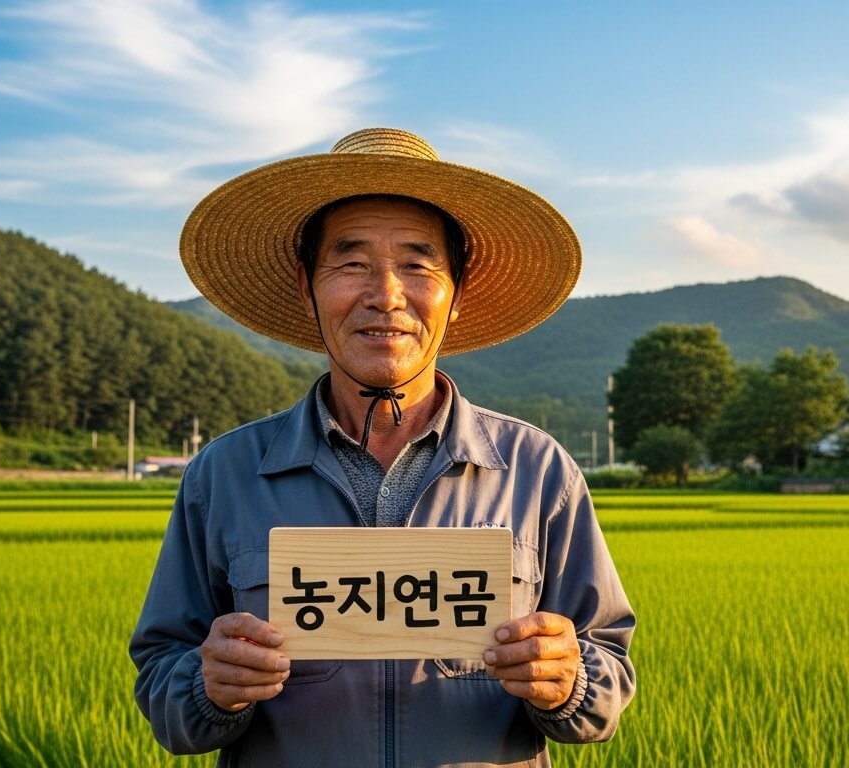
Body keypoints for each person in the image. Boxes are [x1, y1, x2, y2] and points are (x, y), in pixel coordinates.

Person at [130, 127, 636, 767]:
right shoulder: (224, 474)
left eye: (418, 264)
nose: (386, 295)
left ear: (458, 293)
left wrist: (571, 681)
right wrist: (205, 686)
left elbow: (609, 667)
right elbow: (160, 676)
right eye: (350, 262)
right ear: (304, 286)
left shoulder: (538, 471)